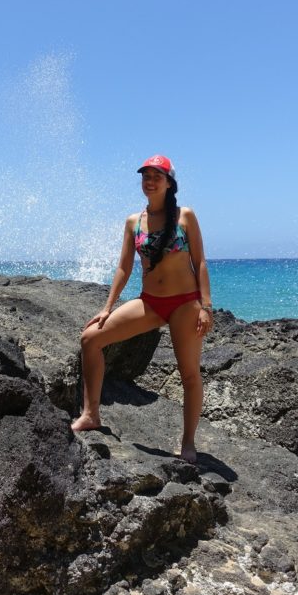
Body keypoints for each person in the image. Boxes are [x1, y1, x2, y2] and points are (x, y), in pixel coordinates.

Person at [70, 155, 213, 464]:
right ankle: (90, 413)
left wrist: (206, 306)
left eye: (156, 176)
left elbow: (199, 262)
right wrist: (108, 307)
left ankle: (188, 443)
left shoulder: (185, 216)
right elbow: (123, 267)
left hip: (185, 303)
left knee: (189, 374)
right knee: (90, 339)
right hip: (150, 302)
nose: (149, 181)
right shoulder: (133, 222)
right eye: (145, 176)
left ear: (169, 182)